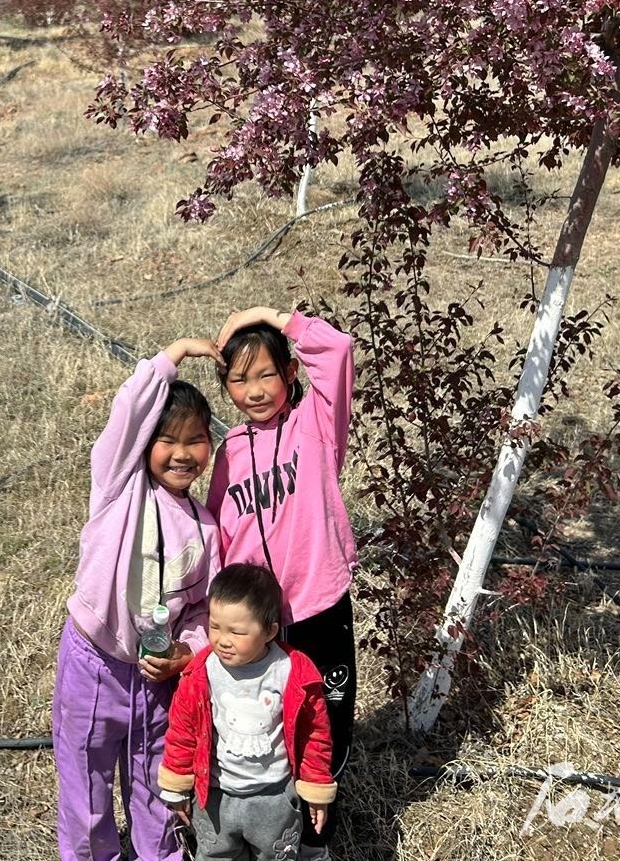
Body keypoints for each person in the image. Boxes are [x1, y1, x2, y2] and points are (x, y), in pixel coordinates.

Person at [54, 338, 225, 861]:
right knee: (85, 785)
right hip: (93, 665)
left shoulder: (205, 527)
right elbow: (129, 411)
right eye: (166, 440)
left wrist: (187, 651)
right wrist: (173, 355)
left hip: (157, 677)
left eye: (196, 440)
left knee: (158, 783)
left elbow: (200, 609)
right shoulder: (119, 486)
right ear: (142, 443)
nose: (181, 453)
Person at [206, 306, 357, 856]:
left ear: (290, 374)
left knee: (325, 719)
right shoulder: (229, 454)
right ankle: (269, 830)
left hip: (318, 605)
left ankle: (319, 839)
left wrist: (264, 315)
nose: (255, 390)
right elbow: (224, 539)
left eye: (266, 374)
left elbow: (337, 350)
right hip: (258, 625)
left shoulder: (316, 422)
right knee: (264, 725)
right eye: (239, 379)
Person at [156, 563, 335, 860]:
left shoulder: (292, 672)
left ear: (269, 631)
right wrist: (176, 785)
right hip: (216, 795)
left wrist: (316, 786)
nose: (223, 640)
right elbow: (182, 731)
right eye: (214, 626)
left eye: (237, 632)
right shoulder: (201, 671)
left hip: (274, 798)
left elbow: (315, 733)